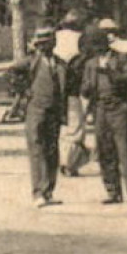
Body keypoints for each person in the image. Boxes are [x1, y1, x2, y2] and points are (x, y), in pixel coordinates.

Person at [81, 20, 127, 205]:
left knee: (126, 151)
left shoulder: (122, 58)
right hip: (100, 109)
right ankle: (112, 191)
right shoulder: (90, 64)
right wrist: (88, 87)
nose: (95, 50)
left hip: (120, 108)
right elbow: (84, 89)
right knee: (105, 151)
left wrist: (110, 73)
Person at [15, 26, 67, 207]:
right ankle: (38, 192)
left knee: (52, 152)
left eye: (50, 43)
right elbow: (11, 74)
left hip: (54, 112)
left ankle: (49, 191)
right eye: (43, 43)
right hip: (35, 110)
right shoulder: (30, 62)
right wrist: (24, 92)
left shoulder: (60, 63)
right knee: (37, 151)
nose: (47, 46)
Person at [54, 11, 90, 177]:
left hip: (54, 90)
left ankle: (63, 160)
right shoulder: (80, 39)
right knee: (75, 127)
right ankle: (69, 163)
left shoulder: (55, 37)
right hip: (74, 89)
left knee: (62, 128)